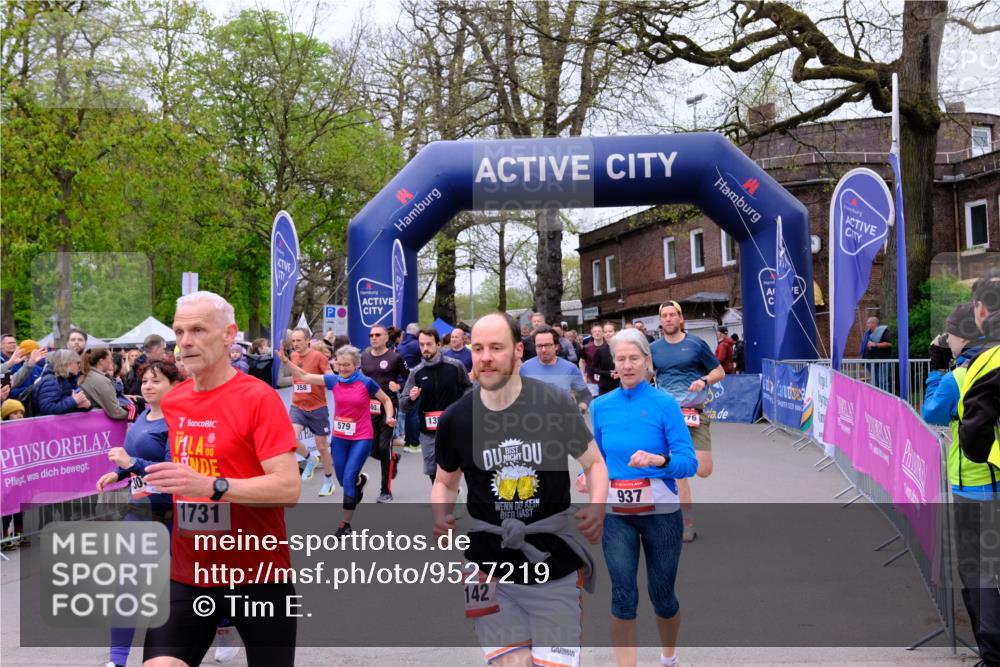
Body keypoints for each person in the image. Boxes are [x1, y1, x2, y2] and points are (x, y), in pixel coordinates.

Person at [432, 312, 609, 667]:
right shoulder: (457, 417)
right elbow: (444, 481)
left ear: (517, 352)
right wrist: (440, 514)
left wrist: (598, 505)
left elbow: (594, 463)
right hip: (485, 567)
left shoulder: (553, 403)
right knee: (511, 663)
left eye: (496, 347)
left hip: (552, 564)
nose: (485, 357)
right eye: (478, 348)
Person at [142, 291, 301, 667]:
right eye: (179, 332)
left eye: (198, 329)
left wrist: (213, 487)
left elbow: (288, 488)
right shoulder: (176, 401)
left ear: (229, 334)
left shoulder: (257, 398)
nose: (185, 341)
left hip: (258, 574)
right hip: (189, 573)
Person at [589, 327, 698, 667]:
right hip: (616, 514)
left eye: (634, 358)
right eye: (620, 359)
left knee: (662, 597)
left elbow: (688, 463)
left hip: (661, 514)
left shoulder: (665, 404)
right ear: (613, 366)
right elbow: (599, 460)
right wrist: (587, 477)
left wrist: (658, 461)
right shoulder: (599, 406)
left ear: (648, 363)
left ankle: (669, 657)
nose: (627, 365)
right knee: (622, 596)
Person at [95, 359, 181, 667]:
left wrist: (131, 464)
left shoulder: (177, 422)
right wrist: (119, 474)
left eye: (156, 381)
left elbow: (172, 469)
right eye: (145, 380)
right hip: (139, 512)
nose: (147, 386)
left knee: (188, 588)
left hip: (175, 517)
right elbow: (137, 460)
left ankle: (224, 625)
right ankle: (117, 660)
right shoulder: (144, 415)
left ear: (174, 387)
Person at [282, 344, 396, 537]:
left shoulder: (366, 382)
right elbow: (304, 376)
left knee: (349, 476)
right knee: (343, 479)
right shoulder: (334, 380)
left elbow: (386, 400)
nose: (342, 369)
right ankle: (360, 482)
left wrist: (389, 417)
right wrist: (285, 361)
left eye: (347, 365)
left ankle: (344, 525)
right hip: (340, 438)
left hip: (361, 436)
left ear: (356, 365)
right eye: (340, 364)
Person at [650, 301, 724, 543]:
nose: (668, 319)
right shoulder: (653, 348)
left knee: (703, 470)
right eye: (664, 316)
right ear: (660, 321)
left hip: (695, 413)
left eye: (673, 315)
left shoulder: (695, 344)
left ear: (680, 319)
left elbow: (719, 371)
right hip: (667, 415)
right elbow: (647, 375)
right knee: (679, 470)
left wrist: (703, 380)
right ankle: (685, 523)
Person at [955, 271, 1000, 667]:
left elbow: (973, 434)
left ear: (982, 311)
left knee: (982, 571)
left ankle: (993, 656)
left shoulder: (986, 361)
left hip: (986, 482)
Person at [400, 328, 471, 484]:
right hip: (428, 431)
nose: (425, 348)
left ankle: (454, 494)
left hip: (453, 427)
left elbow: (468, 388)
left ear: (438, 344)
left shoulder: (455, 366)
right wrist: (411, 398)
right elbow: (403, 405)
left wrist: (461, 409)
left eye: (429, 344)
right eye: (421, 344)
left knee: (456, 467)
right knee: (433, 471)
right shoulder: (416, 373)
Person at [361, 324, 408, 502]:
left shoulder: (395, 357)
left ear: (386, 338)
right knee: (372, 450)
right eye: (371, 335)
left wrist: (399, 386)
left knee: (384, 447)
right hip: (369, 408)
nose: (373, 338)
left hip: (389, 407)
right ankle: (393, 459)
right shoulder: (364, 357)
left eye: (378, 335)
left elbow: (410, 378)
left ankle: (385, 491)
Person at [287, 327, 336, 495]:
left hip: (318, 408)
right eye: (293, 341)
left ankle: (329, 481)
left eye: (298, 340)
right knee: (289, 439)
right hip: (297, 406)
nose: (295, 344)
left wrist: (325, 375)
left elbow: (330, 378)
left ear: (307, 340)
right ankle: (310, 459)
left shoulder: (318, 357)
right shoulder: (292, 356)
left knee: (322, 447)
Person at [519, 325, 591, 413]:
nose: (543, 350)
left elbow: (586, 395)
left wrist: (579, 411)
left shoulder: (570, 368)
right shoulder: (525, 368)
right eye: (539, 346)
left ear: (556, 346)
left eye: (547, 345)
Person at [79, 347, 134, 421]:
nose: (112, 361)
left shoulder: (88, 375)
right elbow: (115, 412)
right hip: (99, 423)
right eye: (111, 359)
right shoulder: (101, 380)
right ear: (101, 361)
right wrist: (132, 414)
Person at [35, 349, 91, 416]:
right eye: (77, 363)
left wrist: (86, 406)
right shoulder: (51, 380)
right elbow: (46, 408)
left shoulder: (68, 378)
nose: (79, 365)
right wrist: (73, 401)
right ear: (67, 363)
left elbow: (65, 406)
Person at [397, 323, 423, 453]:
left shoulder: (400, 345)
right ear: (417, 334)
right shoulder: (416, 345)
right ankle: (414, 443)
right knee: (414, 414)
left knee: (408, 413)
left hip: (402, 382)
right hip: (414, 381)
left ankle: (408, 442)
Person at [860, 316, 893, 392]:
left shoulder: (883, 331)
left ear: (874, 323)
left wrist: (875, 344)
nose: (867, 325)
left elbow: (889, 344)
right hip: (871, 361)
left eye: (868, 323)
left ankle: (885, 399)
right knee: (875, 383)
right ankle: (877, 400)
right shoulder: (867, 333)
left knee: (883, 382)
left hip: (882, 361)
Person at [581, 323, 607, 397]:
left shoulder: (608, 346)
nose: (597, 333)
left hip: (605, 379)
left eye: (599, 331)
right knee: (594, 400)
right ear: (592, 334)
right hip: (591, 379)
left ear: (603, 333)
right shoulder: (586, 348)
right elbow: (582, 361)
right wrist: (583, 374)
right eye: (595, 331)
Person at [595, 322, 621, 396]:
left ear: (615, 332)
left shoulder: (623, 348)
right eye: (605, 332)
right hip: (605, 387)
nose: (608, 334)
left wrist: (620, 374)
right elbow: (593, 369)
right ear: (603, 334)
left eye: (610, 331)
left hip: (621, 385)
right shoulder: (600, 350)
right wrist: (608, 373)